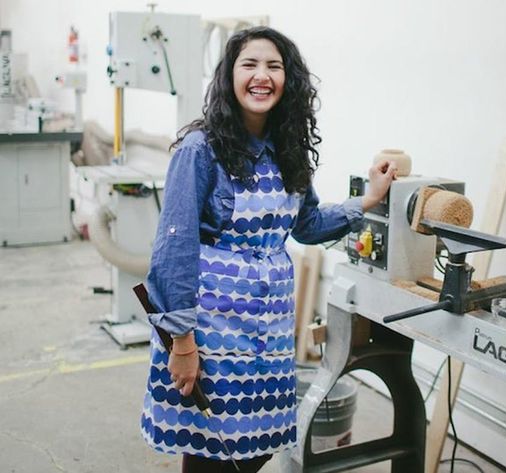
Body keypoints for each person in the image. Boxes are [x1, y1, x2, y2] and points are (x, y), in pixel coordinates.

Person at [141, 26, 396, 473]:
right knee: (210, 451)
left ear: (287, 80)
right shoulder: (201, 150)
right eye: (250, 65)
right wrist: (181, 339)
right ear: (229, 77)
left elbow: (308, 225)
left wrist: (368, 201)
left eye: (274, 67)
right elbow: (173, 248)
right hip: (211, 328)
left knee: (256, 444)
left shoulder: (287, 150)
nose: (262, 76)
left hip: (270, 328)